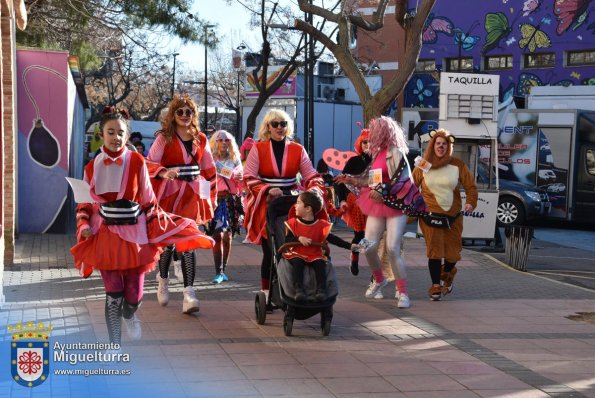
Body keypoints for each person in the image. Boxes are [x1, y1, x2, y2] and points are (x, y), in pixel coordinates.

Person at [70, 107, 213, 346]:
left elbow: (149, 200)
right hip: (106, 234)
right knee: (113, 294)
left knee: (133, 296)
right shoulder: (92, 166)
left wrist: (160, 226)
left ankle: (130, 314)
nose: (116, 137)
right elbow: (85, 203)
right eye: (110, 132)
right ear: (101, 134)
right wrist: (84, 224)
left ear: (127, 136)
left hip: (136, 235)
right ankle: (114, 345)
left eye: (120, 133)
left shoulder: (137, 161)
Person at [147, 94, 218, 314]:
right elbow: (149, 162)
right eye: (180, 112)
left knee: (188, 242)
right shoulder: (163, 138)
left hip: (191, 196)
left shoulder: (201, 139)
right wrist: (163, 172)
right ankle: (163, 279)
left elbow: (209, 169)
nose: (185, 115)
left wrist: (211, 198)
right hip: (169, 193)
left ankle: (189, 293)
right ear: (173, 114)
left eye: (189, 112)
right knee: (168, 242)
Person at [243, 109, 325, 298]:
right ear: (268, 127)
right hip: (266, 202)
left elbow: (311, 174)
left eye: (284, 124)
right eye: (275, 124)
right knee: (269, 249)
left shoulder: (297, 149)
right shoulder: (258, 148)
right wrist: (267, 189)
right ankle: (265, 291)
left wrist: (313, 188)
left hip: (291, 201)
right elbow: (248, 177)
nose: (280, 127)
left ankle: (298, 284)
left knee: (296, 244)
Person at [335, 116, 412, 309]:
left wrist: (382, 190)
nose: (371, 138)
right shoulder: (377, 155)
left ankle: (403, 292)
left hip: (396, 205)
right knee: (367, 246)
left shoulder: (396, 153)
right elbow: (371, 180)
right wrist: (351, 180)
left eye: (375, 133)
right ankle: (379, 279)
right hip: (377, 205)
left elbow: (402, 180)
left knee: (393, 248)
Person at [412, 129, 477, 301]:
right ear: (433, 145)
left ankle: (447, 273)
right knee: (434, 252)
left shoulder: (457, 164)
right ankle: (435, 286)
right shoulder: (423, 165)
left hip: (453, 217)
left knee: (453, 255)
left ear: (449, 146)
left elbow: (471, 186)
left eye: (444, 144)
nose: (441, 146)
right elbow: (411, 187)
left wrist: (471, 202)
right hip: (429, 215)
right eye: (438, 143)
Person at [283, 191, 356, 302]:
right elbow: (287, 240)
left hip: (315, 253)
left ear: (308, 209)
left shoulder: (321, 225)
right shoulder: (293, 223)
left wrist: (349, 246)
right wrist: (298, 239)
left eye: (298, 203)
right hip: (298, 252)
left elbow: (333, 239)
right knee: (297, 262)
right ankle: (299, 290)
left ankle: (321, 290)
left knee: (320, 263)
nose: (295, 206)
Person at [206, 130, 244, 284]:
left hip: (231, 201)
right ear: (215, 141)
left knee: (228, 236)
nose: (223, 142)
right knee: (217, 234)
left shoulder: (235, 159)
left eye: (227, 140)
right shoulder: (209, 159)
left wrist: (238, 175)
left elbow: (240, 176)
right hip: (216, 200)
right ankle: (218, 271)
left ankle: (224, 270)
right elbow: (205, 176)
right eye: (220, 139)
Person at [334, 129, 371, 276]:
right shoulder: (353, 161)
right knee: (360, 235)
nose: (368, 144)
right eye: (365, 142)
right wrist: (342, 200)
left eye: (370, 142)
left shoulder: (379, 160)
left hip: (375, 200)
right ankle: (354, 257)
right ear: (359, 144)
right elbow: (341, 182)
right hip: (356, 202)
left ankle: (376, 272)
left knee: (375, 238)